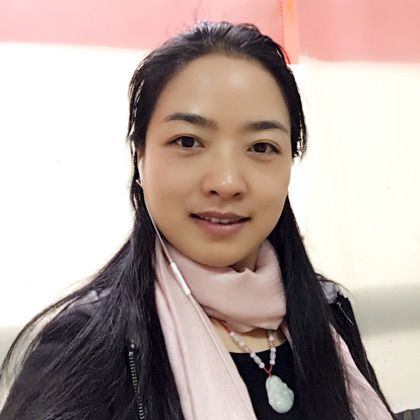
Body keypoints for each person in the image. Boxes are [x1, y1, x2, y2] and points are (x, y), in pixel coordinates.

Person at [0, 21, 396, 420]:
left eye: (261, 147)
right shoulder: (80, 350)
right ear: (140, 155)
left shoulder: (328, 311)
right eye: (187, 141)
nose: (226, 182)